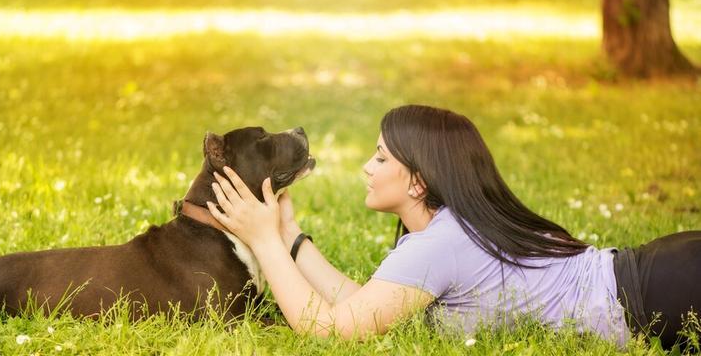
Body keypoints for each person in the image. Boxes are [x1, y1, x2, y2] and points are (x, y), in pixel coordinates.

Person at [206, 104, 701, 349]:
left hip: (662, 294)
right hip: (661, 275)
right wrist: (289, 235)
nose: (366, 167)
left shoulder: (443, 242)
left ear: (419, 182)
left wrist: (263, 241)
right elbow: (362, 306)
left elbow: (333, 331)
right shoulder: (445, 233)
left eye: (380, 157)